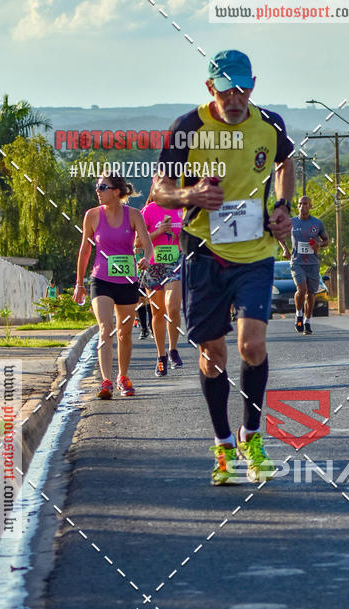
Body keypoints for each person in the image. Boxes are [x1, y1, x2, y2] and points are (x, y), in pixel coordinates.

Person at [154, 49, 294, 484]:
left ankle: (252, 436)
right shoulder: (188, 128)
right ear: (210, 87)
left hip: (256, 251)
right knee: (212, 353)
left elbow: (286, 162)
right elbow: (158, 190)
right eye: (226, 89)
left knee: (252, 344)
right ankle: (223, 445)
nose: (236, 98)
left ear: (253, 85)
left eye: (243, 88)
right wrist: (189, 196)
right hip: (204, 251)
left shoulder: (269, 123)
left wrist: (282, 205)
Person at [73, 176, 152, 398]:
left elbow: (147, 245)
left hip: (127, 281)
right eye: (97, 187)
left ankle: (123, 377)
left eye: (102, 187)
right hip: (101, 280)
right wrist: (79, 283)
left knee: (124, 334)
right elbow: (85, 251)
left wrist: (146, 258)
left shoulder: (134, 215)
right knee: (105, 328)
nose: (97, 191)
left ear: (116, 191)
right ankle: (106, 381)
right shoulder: (92, 215)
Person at [140, 182, 184, 375]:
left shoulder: (181, 208)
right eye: (161, 183)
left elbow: (192, 235)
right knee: (158, 312)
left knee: (173, 307)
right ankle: (161, 356)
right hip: (154, 264)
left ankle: (173, 349)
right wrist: (158, 232)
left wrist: (179, 233)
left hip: (176, 261)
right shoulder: (148, 211)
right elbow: (136, 242)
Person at [281, 196, 328, 335]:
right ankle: (298, 314)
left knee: (311, 294)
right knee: (301, 290)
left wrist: (319, 244)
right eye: (300, 204)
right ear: (298, 206)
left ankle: (307, 322)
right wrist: (285, 249)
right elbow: (279, 236)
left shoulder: (317, 223)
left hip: (313, 263)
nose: (302, 206)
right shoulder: (291, 222)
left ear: (310, 206)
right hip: (297, 262)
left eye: (305, 204)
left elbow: (326, 240)